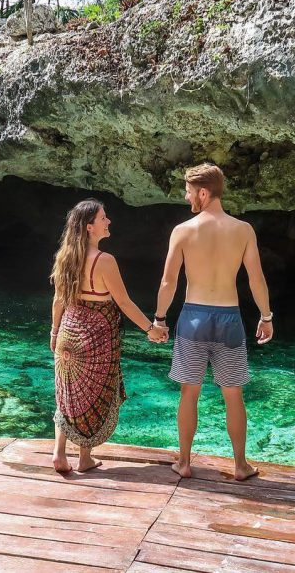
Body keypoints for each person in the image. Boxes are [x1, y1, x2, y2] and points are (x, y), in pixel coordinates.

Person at [153, 164, 273, 481]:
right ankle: (240, 465)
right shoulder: (244, 230)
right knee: (233, 394)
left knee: (189, 392)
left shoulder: (183, 231)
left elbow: (169, 283)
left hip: (193, 317)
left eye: (189, 190)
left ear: (203, 193)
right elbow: (256, 279)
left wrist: (160, 319)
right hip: (230, 318)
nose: (186, 195)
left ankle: (184, 462)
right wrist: (266, 316)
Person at [50, 199, 169, 473]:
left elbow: (58, 300)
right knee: (91, 397)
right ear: (90, 227)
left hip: (68, 333)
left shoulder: (65, 257)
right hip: (96, 338)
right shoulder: (104, 261)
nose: (109, 221)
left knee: (67, 394)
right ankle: (84, 457)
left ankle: (59, 453)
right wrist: (151, 330)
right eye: (104, 218)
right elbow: (124, 303)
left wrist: (55, 332)